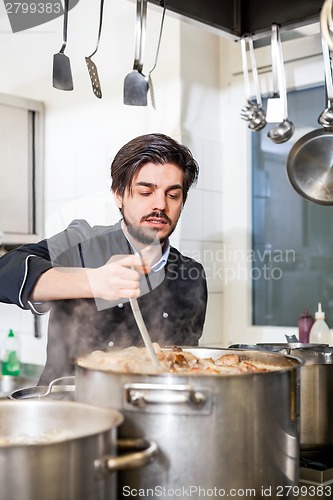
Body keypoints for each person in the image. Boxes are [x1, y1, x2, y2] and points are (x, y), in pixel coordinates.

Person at [0, 133, 207, 384]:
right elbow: (4, 274)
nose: (160, 205)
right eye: (145, 192)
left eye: (172, 195)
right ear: (119, 195)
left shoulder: (190, 276)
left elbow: (185, 363)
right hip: (73, 410)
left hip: (154, 416)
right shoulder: (82, 244)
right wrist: (92, 281)